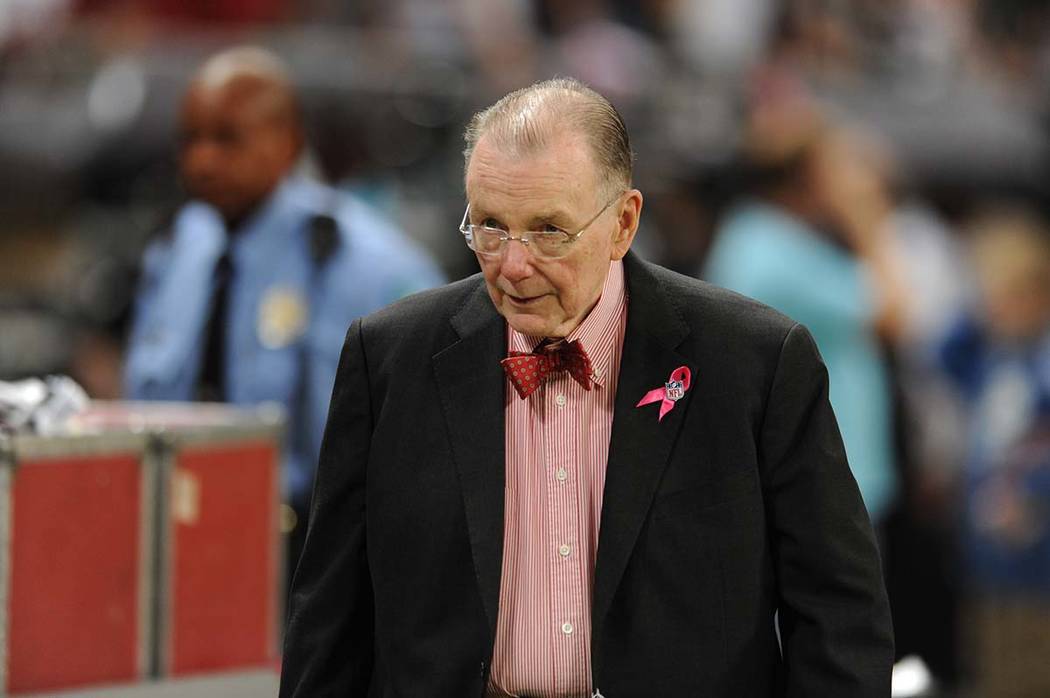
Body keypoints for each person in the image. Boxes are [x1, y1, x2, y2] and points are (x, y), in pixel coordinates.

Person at [281, 78, 892, 697]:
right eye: (491, 225)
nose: (513, 265)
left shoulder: (755, 362)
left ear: (623, 223)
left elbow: (839, 618)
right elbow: (328, 617)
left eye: (549, 230)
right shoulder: (387, 357)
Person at [123, 47, 445, 579]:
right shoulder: (177, 250)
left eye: (227, 139)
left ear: (288, 141)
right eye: (191, 140)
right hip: (179, 536)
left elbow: (430, 413)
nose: (202, 161)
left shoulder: (363, 260)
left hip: (312, 558)